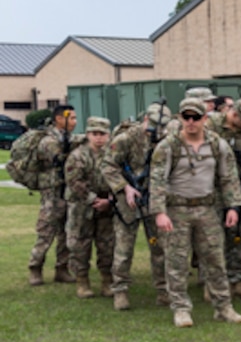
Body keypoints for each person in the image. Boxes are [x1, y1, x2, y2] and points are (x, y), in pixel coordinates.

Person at [148, 98, 241, 328]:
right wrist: (159, 212)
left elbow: (229, 177)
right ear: (180, 118)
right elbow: (157, 181)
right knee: (177, 261)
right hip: (177, 209)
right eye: (186, 117)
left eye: (195, 117)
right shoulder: (168, 146)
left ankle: (223, 307)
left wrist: (233, 206)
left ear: (204, 118)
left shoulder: (217, 144)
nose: (191, 122)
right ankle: (181, 309)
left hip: (207, 209)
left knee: (215, 260)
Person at [100, 102, 172, 310]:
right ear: (146, 119)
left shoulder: (165, 140)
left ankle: (163, 290)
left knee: (160, 247)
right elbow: (107, 165)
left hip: (153, 199)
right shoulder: (126, 139)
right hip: (128, 200)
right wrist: (124, 188)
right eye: (154, 124)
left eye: (162, 126)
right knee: (124, 248)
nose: (157, 130)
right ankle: (120, 290)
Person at [207, 98, 241, 300]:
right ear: (234, 114)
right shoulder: (211, 125)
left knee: (240, 234)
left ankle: (237, 281)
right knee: (212, 238)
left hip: (240, 189)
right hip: (214, 190)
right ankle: (212, 284)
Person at [27, 105, 79, 286]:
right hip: (52, 194)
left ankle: (62, 269)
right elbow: (60, 159)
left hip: (68, 192)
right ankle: (35, 267)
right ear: (59, 119)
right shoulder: (48, 140)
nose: (75, 121)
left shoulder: (68, 138)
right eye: (72, 118)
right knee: (46, 232)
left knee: (67, 232)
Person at [64, 116, 114, 298]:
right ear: (88, 134)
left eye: (102, 134)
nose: (99, 137)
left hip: (106, 207)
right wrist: (94, 199)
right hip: (82, 207)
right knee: (80, 245)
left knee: (107, 245)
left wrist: (110, 200)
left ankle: (107, 281)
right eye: (95, 133)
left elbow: (120, 178)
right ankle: (82, 281)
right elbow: (74, 181)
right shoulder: (78, 155)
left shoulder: (113, 155)